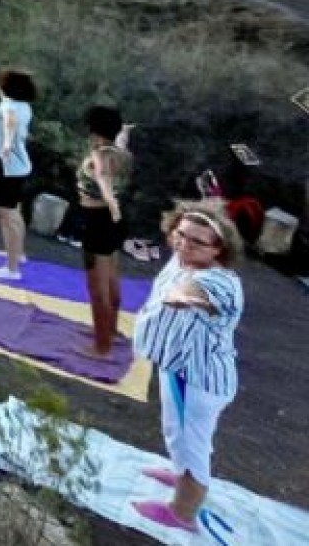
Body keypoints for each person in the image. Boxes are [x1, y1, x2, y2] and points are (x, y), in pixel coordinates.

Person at [131, 205, 244, 533]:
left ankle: (183, 512)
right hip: (181, 370)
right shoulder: (183, 259)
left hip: (197, 381)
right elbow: (202, 221)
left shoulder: (218, 281)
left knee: (191, 444)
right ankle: (181, 474)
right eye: (180, 235)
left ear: (218, 249)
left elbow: (195, 292)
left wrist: (183, 296)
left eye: (197, 242)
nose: (184, 245)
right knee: (179, 435)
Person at [76, 106, 134, 359]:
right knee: (111, 277)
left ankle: (102, 347)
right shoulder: (120, 153)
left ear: (93, 130)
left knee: (97, 288)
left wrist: (111, 202)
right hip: (111, 224)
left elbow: (103, 179)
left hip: (97, 223)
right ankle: (110, 331)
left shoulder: (100, 156)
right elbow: (121, 142)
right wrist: (124, 132)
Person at [0, 69, 37, 280]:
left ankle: (11, 269)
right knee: (14, 211)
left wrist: (5, 143)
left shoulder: (10, 106)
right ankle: (17, 253)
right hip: (16, 168)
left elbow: (9, 121)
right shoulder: (24, 106)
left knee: (6, 214)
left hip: (3, 166)